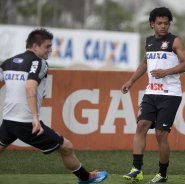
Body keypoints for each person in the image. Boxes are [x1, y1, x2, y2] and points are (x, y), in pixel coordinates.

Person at [0, 28, 108, 184]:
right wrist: (35, 118)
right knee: (67, 147)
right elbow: (30, 86)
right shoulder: (39, 62)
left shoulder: (8, 62)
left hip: (9, 121)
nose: (51, 50)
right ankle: (86, 178)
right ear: (35, 46)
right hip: (27, 123)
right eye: (47, 46)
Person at [121, 7, 185, 183]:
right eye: (159, 23)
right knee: (141, 125)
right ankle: (136, 170)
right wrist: (131, 81)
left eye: (166, 23)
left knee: (160, 133)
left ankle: (162, 174)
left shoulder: (175, 41)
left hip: (171, 94)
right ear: (152, 24)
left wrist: (166, 72)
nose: (163, 26)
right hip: (151, 92)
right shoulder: (149, 41)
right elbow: (145, 63)